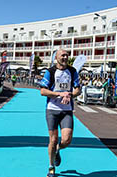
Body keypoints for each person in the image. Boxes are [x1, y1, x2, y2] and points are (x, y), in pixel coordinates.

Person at [39, 49, 81, 177]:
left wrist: (71, 94)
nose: (65, 57)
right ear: (56, 57)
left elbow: (78, 89)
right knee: (53, 139)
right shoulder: (50, 72)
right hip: (52, 109)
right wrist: (59, 94)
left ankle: (58, 149)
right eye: (62, 55)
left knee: (67, 139)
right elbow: (43, 91)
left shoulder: (72, 71)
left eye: (67, 55)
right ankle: (51, 166)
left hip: (66, 110)